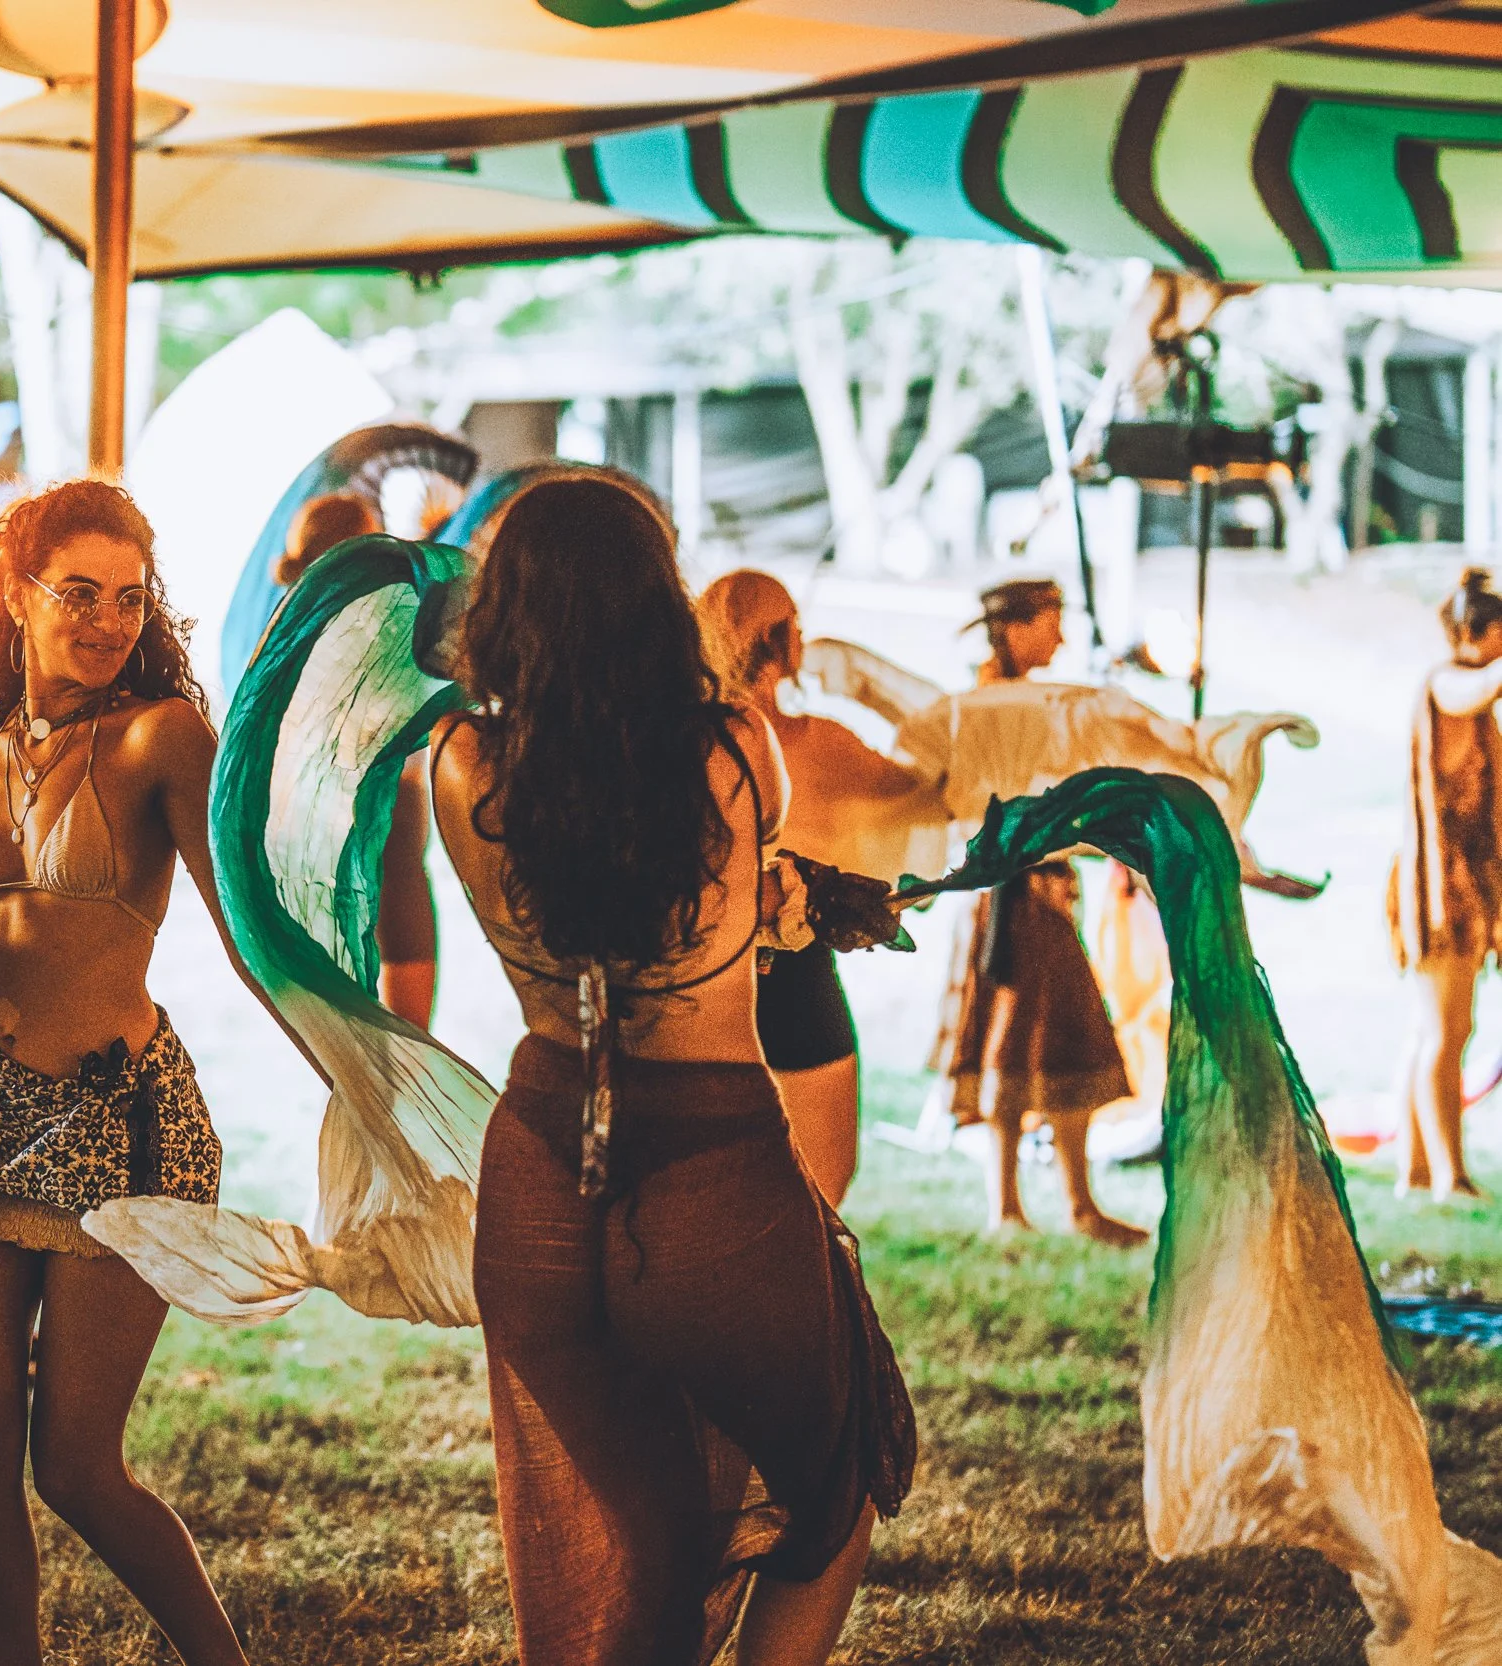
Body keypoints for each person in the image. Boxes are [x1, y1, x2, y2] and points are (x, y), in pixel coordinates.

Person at [431, 475, 913, 1666]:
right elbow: (731, 908)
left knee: (636, 1552)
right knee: (835, 1482)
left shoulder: (458, 763)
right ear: (660, 597)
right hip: (706, 1161)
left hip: (540, 1167)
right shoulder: (735, 750)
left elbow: (586, 908)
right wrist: (795, 906)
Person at [0, 479, 273, 1666]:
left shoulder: (161, 738)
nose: (106, 621)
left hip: (120, 1126)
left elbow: (253, 930)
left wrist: (362, 1071)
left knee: (77, 1468)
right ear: (17, 591)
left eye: (127, 598)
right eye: (78, 594)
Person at [699, 569, 941, 1207]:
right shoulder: (821, 744)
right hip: (795, 987)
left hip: (697, 990)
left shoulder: (676, 746)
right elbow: (928, 793)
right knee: (820, 1188)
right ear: (781, 645)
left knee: (717, 1193)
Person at [927, 577, 1144, 1245]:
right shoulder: (985, 706)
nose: (1061, 636)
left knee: (1065, 1040)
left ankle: (1077, 1204)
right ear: (1015, 628)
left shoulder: (1030, 701)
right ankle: (1010, 1207)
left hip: (1045, 894)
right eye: (1051, 620)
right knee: (1009, 1041)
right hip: (1010, 901)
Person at [273, 490, 439, 1027]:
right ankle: (406, 1052)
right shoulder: (379, 612)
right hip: (386, 789)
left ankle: (369, 1063)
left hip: (316, 803)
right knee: (400, 885)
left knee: (339, 918)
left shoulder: (289, 621)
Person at [1389, 568, 1502, 1200]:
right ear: (1480, 632)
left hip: (1454, 880)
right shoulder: (1445, 683)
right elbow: (1479, 688)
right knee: (1446, 1032)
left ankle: (1418, 1170)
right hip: (1440, 885)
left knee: (1433, 1029)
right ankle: (1450, 1176)